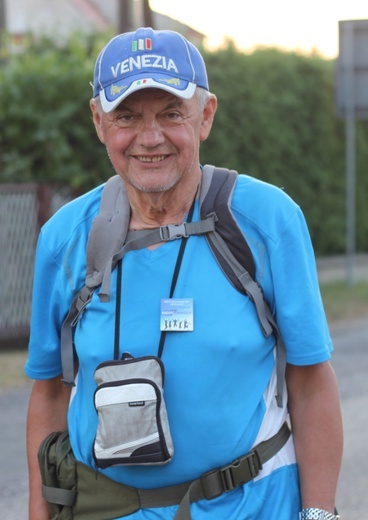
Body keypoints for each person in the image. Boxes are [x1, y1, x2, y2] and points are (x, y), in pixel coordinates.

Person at [25, 27, 343, 520]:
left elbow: (311, 379)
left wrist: (321, 514)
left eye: (171, 113)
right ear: (98, 121)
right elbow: (47, 393)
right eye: (126, 116)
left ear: (205, 116)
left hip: (252, 505)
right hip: (106, 509)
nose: (149, 139)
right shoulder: (66, 237)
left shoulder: (267, 219)